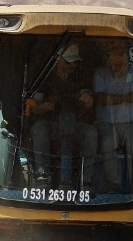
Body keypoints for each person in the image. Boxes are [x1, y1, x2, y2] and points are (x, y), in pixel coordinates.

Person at [24, 43, 98, 188]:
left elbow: (89, 100)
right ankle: (43, 176)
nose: (71, 66)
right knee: (38, 129)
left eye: (75, 62)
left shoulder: (80, 76)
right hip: (50, 124)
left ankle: (85, 181)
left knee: (91, 133)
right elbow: (35, 107)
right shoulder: (45, 76)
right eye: (68, 62)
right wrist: (44, 107)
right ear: (58, 59)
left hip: (74, 124)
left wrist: (87, 100)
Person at [92, 42, 133, 191]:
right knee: (108, 147)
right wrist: (125, 98)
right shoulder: (101, 73)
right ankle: (114, 184)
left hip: (131, 122)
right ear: (108, 57)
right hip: (106, 123)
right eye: (114, 55)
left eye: (122, 55)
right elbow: (100, 99)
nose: (118, 60)